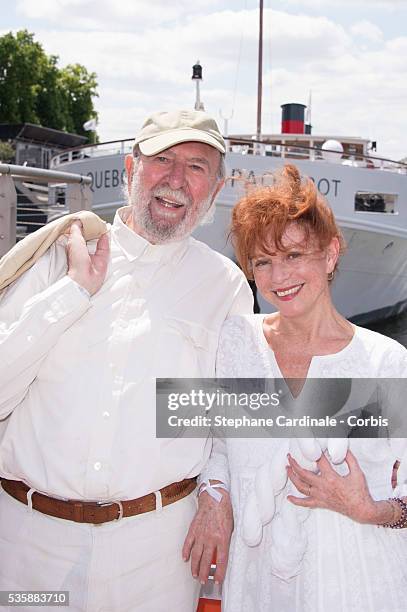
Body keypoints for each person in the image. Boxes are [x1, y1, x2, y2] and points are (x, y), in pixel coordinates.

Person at [0, 110, 253, 612]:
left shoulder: (224, 287)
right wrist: (72, 292)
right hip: (31, 547)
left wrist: (218, 494)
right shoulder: (58, 255)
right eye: (163, 159)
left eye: (197, 166)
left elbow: (228, 419)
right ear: (131, 169)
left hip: (157, 562)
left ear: (216, 188)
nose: (177, 179)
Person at [199, 164, 407, 611]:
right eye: (263, 262)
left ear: (330, 254)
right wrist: (213, 497)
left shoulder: (384, 362)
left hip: (354, 581)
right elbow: (214, 447)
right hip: (256, 580)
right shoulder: (236, 342)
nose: (279, 277)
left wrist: (371, 509)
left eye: (294, 256)